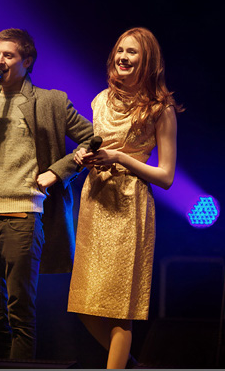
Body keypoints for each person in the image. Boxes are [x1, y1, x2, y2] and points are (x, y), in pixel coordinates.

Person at [0, 28, 94, 360]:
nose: (0, 61)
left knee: (20, 313)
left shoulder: (51, 101)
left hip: (24, 217)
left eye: (8, 55)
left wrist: (59, 171)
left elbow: (93, 138)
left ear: (26, 61)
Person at [68, 27, 181, 369]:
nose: (122, 57)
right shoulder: (99, 100)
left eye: (131, 52)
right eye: (119, 50)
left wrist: (120, 158)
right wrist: (81, 153)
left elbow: (167, 177)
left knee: (119, 309)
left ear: (147, 60)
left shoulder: (161, 108)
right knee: (84, 305)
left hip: (129, 206)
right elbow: (96, 143)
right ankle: (134, 367)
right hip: (95, 200)